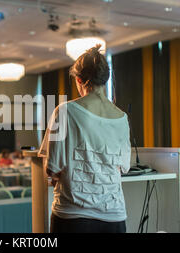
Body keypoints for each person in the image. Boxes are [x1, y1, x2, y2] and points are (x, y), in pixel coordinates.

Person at [38, 45, 131, 233]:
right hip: (114, 216)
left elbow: (51, 168)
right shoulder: (122, 118)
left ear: (79, 80)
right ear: (105, 79)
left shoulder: (63, 112)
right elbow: (124, 167)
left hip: (73, 216)